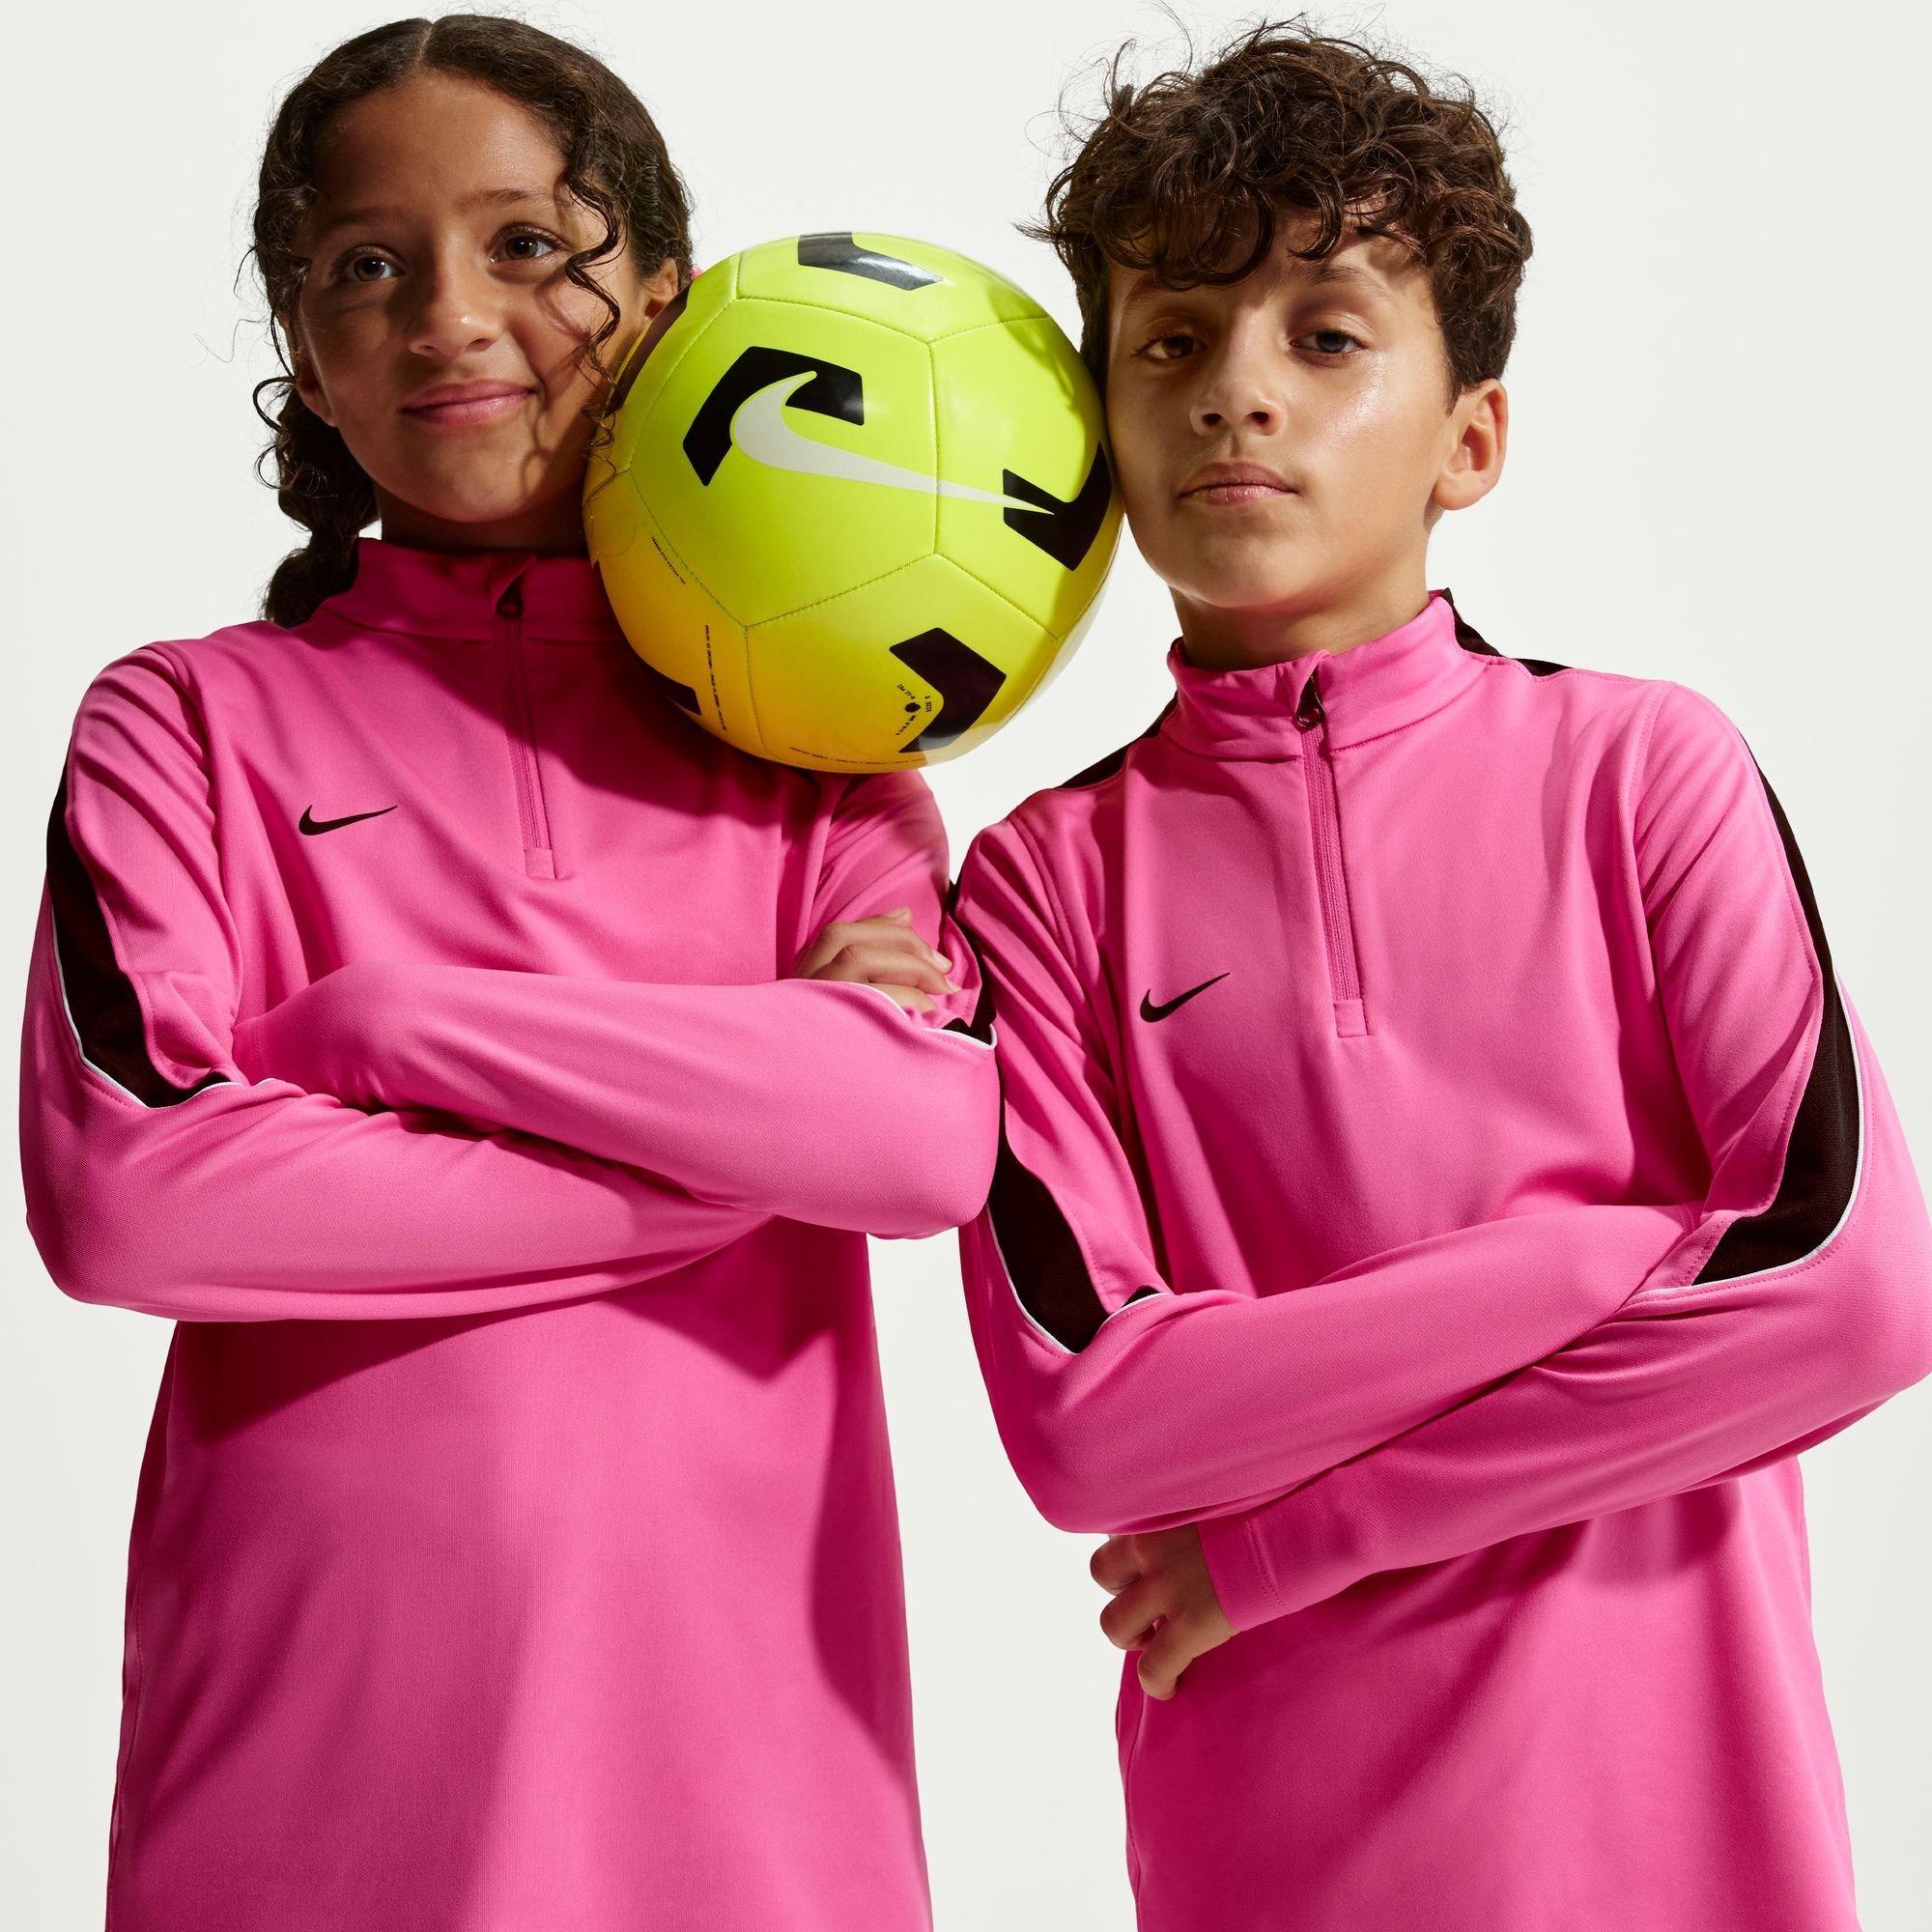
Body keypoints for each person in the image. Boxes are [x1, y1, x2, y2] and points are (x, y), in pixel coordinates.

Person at [945, 18, 1932, 1930]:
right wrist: (1592, 1256)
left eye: (1325, 338)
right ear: (1102, 433)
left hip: (1687, 1848)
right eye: (1171, 342)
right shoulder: (1040, 887)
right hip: (1276, 1858)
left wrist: (1295, 1538)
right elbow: (1090, 1424)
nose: (1239, 394)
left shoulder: (1642, 771)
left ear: (1470, 437)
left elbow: (1851, 1297)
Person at [18, 16, 997, 1931]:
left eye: (529, 244)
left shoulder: (815, 738)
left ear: (667, 302)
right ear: (304, 341)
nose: (450, 315)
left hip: (747, 1786)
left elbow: (917, 1146)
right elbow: (130, 1193)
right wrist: (745, 1117)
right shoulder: (186, 724)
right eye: (365, 265)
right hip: (305, 1786)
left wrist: (388, 1027)